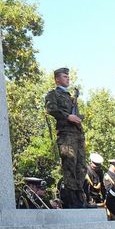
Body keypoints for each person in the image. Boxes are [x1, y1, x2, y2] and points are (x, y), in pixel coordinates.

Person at [45, 67, 87, 208]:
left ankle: (80, 197)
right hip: (66, 135)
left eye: (68, 76)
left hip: (77, 134)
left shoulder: (71, 97)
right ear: (57, 79)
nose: (68, 78)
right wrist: (68, 116)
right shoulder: (53, 94)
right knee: (70, 165)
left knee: (81, 166)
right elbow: (51, 109)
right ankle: (72, 200)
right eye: (64, 76)